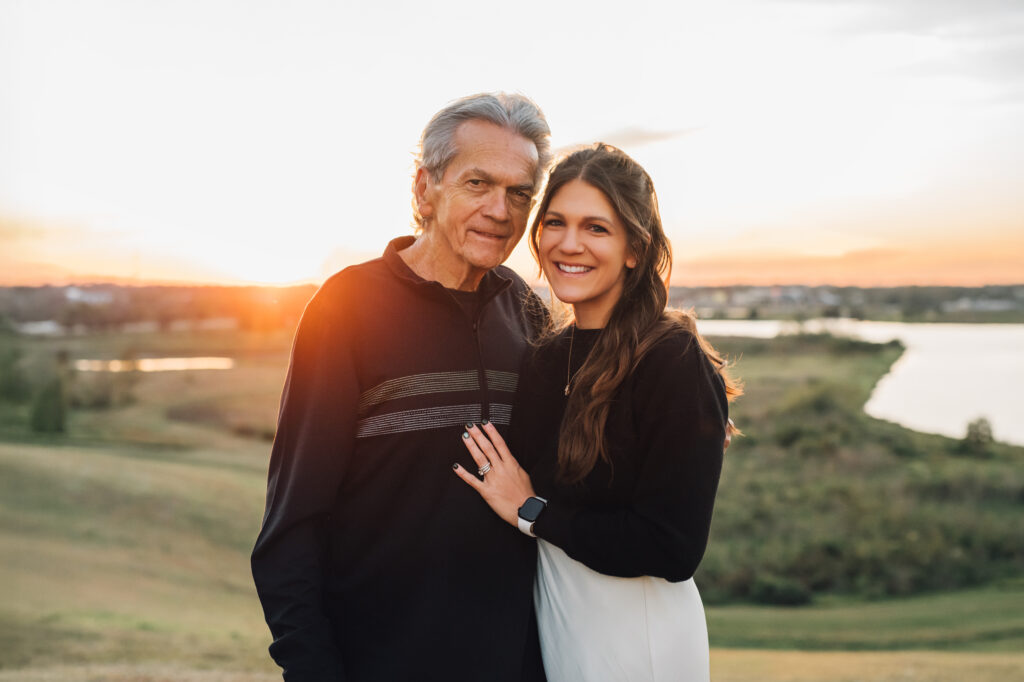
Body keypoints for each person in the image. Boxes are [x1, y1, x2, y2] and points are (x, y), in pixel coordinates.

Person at [250, 93, 553, 681]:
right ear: (424, 189)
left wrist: (680, 405)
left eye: (520, 193)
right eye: (478, 183)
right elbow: (292, 526)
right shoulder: (346, 308)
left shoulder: (525, 309)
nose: (500, 210)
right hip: (378, 663)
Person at [453, 144, 741, 682]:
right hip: (560, 626)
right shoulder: (545, 358)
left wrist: (532, 511)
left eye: (596, 228)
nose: (569, 244)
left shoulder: (670, 359)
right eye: (555, 222)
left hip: (640, 638)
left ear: (635, 249)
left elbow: (672, 548)